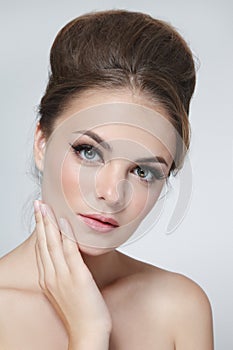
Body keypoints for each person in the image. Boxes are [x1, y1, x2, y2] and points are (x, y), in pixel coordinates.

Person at [0, 9, 214, 350]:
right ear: (42, 143)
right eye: (88, 152)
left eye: (143, 172)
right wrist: (89, 332)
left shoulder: (180, 309)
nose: (112, 194)